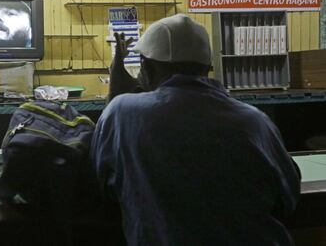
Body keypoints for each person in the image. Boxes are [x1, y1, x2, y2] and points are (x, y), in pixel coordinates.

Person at [90, 14, 301, 245]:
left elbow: (103, 184)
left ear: (147, 67)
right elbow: (287, 197)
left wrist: (117, 90)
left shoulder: (122, 112)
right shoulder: (255, 121)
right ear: (208, 67)